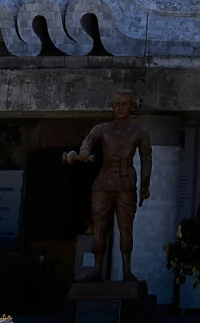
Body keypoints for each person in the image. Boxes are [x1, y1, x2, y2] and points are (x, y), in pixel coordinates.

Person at [62, 92, 152, 285]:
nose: (120, 107)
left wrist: (145, 184)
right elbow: (88, 141)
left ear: (131, 106)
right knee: (99, 228)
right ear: (112, 106)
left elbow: (146, 158)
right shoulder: (101, 129)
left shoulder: (140, 131)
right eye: (117, 103)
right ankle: (96, 269)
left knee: (126, 228)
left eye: (124, 104)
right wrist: (84, 151)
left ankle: (127, 271)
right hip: (103, 182)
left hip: (126, 182)